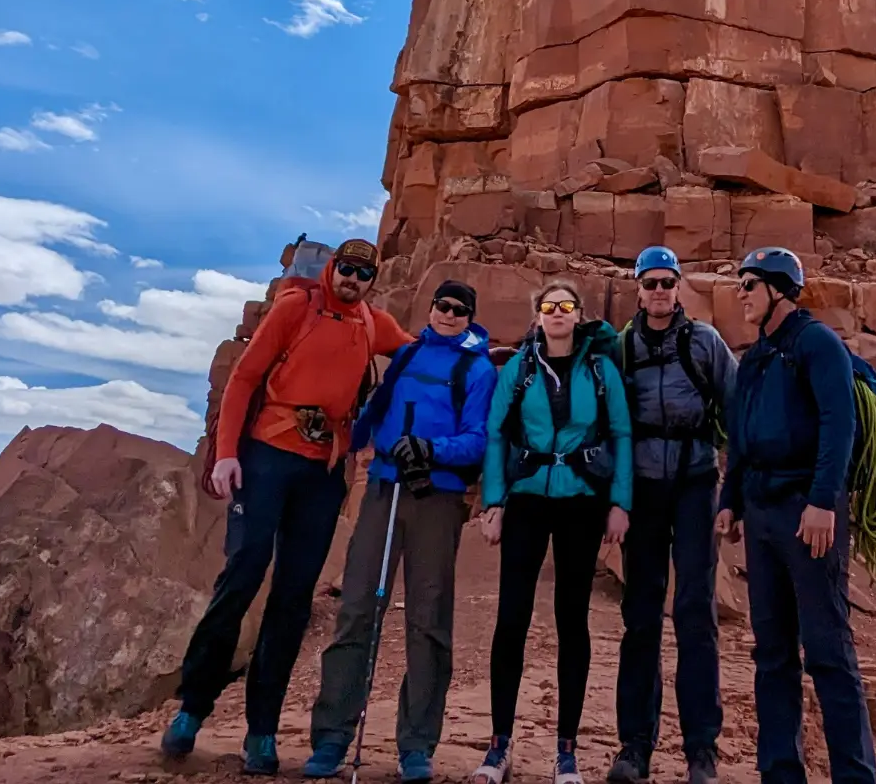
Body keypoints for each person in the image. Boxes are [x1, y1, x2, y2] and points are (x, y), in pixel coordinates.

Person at [160, 239, 414, 776]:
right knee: (243, 574)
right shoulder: (295, 308)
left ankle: (263, 732)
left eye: (363, 273)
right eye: (345, 268)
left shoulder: (373, 323)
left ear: (373, 278)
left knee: (294, 598)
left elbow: (423, 350)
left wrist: (486, 351)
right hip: (268, 456)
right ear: (331, 270)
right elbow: (245, 377)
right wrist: (227, 454)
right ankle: (192, 709)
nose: (351, 278)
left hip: (322, 473)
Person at [304, 281, 498, 782]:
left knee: (429, 619)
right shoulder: (408, 356)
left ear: (469, 316)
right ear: (430, 308)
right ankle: (331, 738)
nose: (449, 314)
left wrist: (432, 451)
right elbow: (374, 410)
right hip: (384, 487)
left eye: (460, 309)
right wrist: (349, 440)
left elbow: (478, 438)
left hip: (437, 497)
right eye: (442, 306)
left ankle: (416, 746)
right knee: (357, 610)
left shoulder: (476, 369)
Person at [716, 247, 876, 784]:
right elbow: (739, 437)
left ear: (778, 291)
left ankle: (855, 776)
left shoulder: (818, 344)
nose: (740, 293)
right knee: (773, 654)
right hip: (761, 516)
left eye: (749, 284)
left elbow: (839, 425)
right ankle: (779, 773)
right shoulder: (757, 355)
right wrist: (729, 501)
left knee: (828, 651)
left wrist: (822, 501)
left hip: (808, 513)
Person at [470, 283, 634, 784]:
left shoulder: (601, 369)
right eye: (549, 306)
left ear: (579, 316)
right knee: (512, 616)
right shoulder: (519, 367)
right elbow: (497, 432)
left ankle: (567, 752)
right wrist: (493, 502)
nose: (557, 314)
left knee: (571, 620)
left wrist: (620, 503)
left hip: (582, 501)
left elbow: (622, 434)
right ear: (537, 315)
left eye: (566, 306)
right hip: (527, 499)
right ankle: (499, 747)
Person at [609, 247, 736, 784]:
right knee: (640, 615)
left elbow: (737, 411)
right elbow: (605, 421)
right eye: (650, 283)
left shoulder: (704, 342)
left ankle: (700, 750)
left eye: (667, 282)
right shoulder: (620, 347)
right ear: (637, 288)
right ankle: (634, 746)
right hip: (641, 489)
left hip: (694, 484)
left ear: (679, 286)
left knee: (694, 613)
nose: (659, 292)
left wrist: (736, 496)